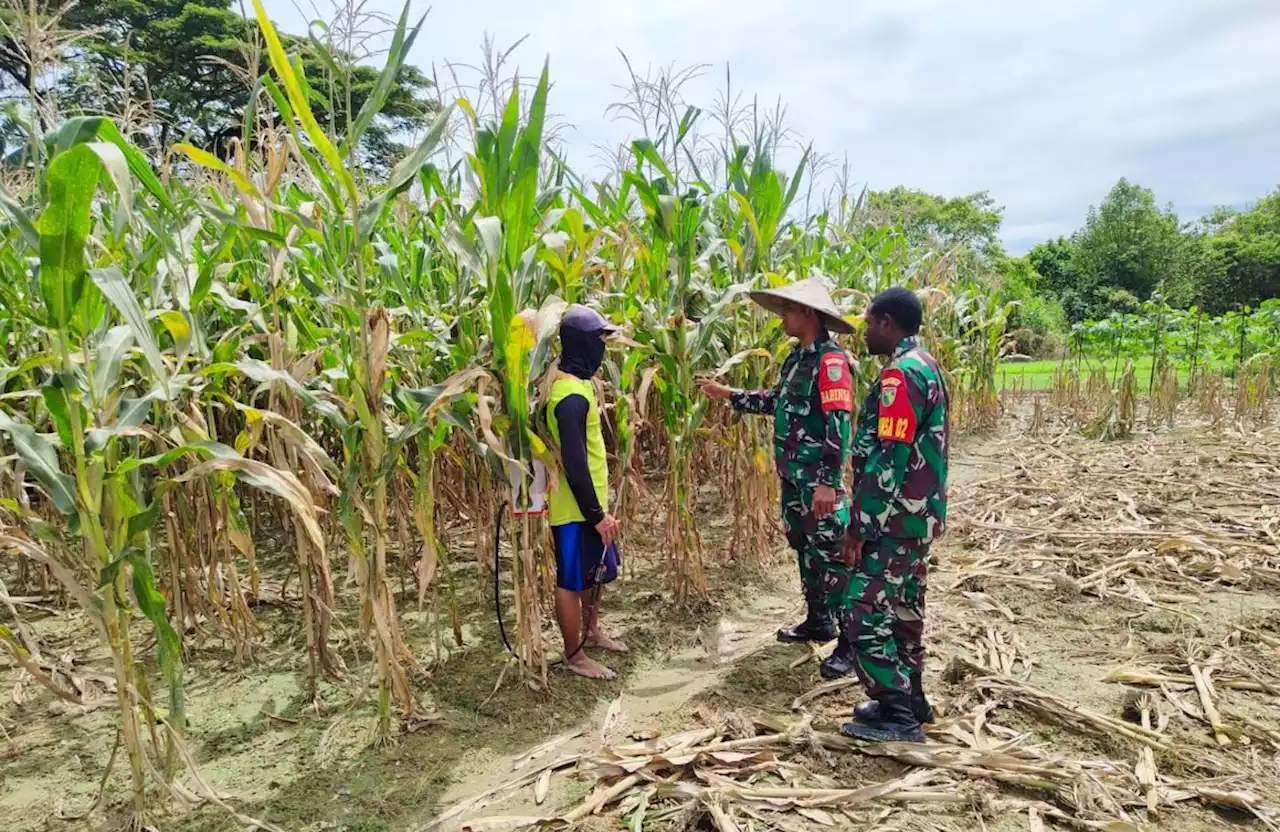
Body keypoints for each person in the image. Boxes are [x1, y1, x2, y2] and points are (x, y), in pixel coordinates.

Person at [698, 277, 858, 680]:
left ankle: (851, 644)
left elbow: (839, 424)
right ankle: (819, 621)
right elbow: (775, 401)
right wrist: (728, 394)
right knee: (806, 549)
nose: (782, 317)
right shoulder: (796, 359)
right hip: (793, 480)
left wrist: (827, 481)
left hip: (817, 483)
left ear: (808, 314)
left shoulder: (831, 363)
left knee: (833, 556)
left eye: (788, 309)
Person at [840, 287, 949, 743]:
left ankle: (897, 713)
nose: (864, 332)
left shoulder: (900, 376)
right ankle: (911, 699)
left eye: (868, 323)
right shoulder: (926, 365)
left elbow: (890, 457)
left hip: (892, 520)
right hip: (916, 517)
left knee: (860, 613)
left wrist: (860, 527)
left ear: (887, 322)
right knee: (905, 610)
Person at [546, 305, 629, 680]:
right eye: (598, 340)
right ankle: (573, 654)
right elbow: (575, 463)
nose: (603, 348)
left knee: (595, 574)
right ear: (580, 344)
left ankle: (591, 634)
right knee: (572, 579)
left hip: (592, 505)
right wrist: (596, 515)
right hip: (576, 510)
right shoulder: (569, 396)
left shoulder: (579, 387)